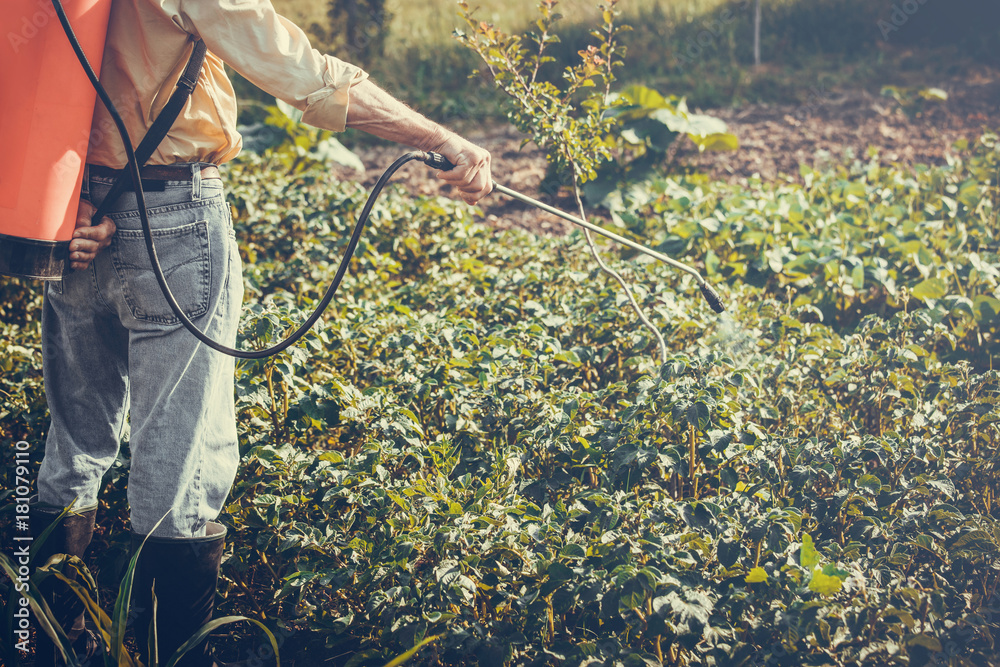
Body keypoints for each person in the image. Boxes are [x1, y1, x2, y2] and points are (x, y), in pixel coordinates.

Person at [31, 1, 492, 666]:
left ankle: (36, 640)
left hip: (68, 215)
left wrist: (64, 203)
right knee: (179, 468)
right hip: (170, 222)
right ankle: (168, 655)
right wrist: (437, 138)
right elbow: (306, 76)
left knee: (70, 449)